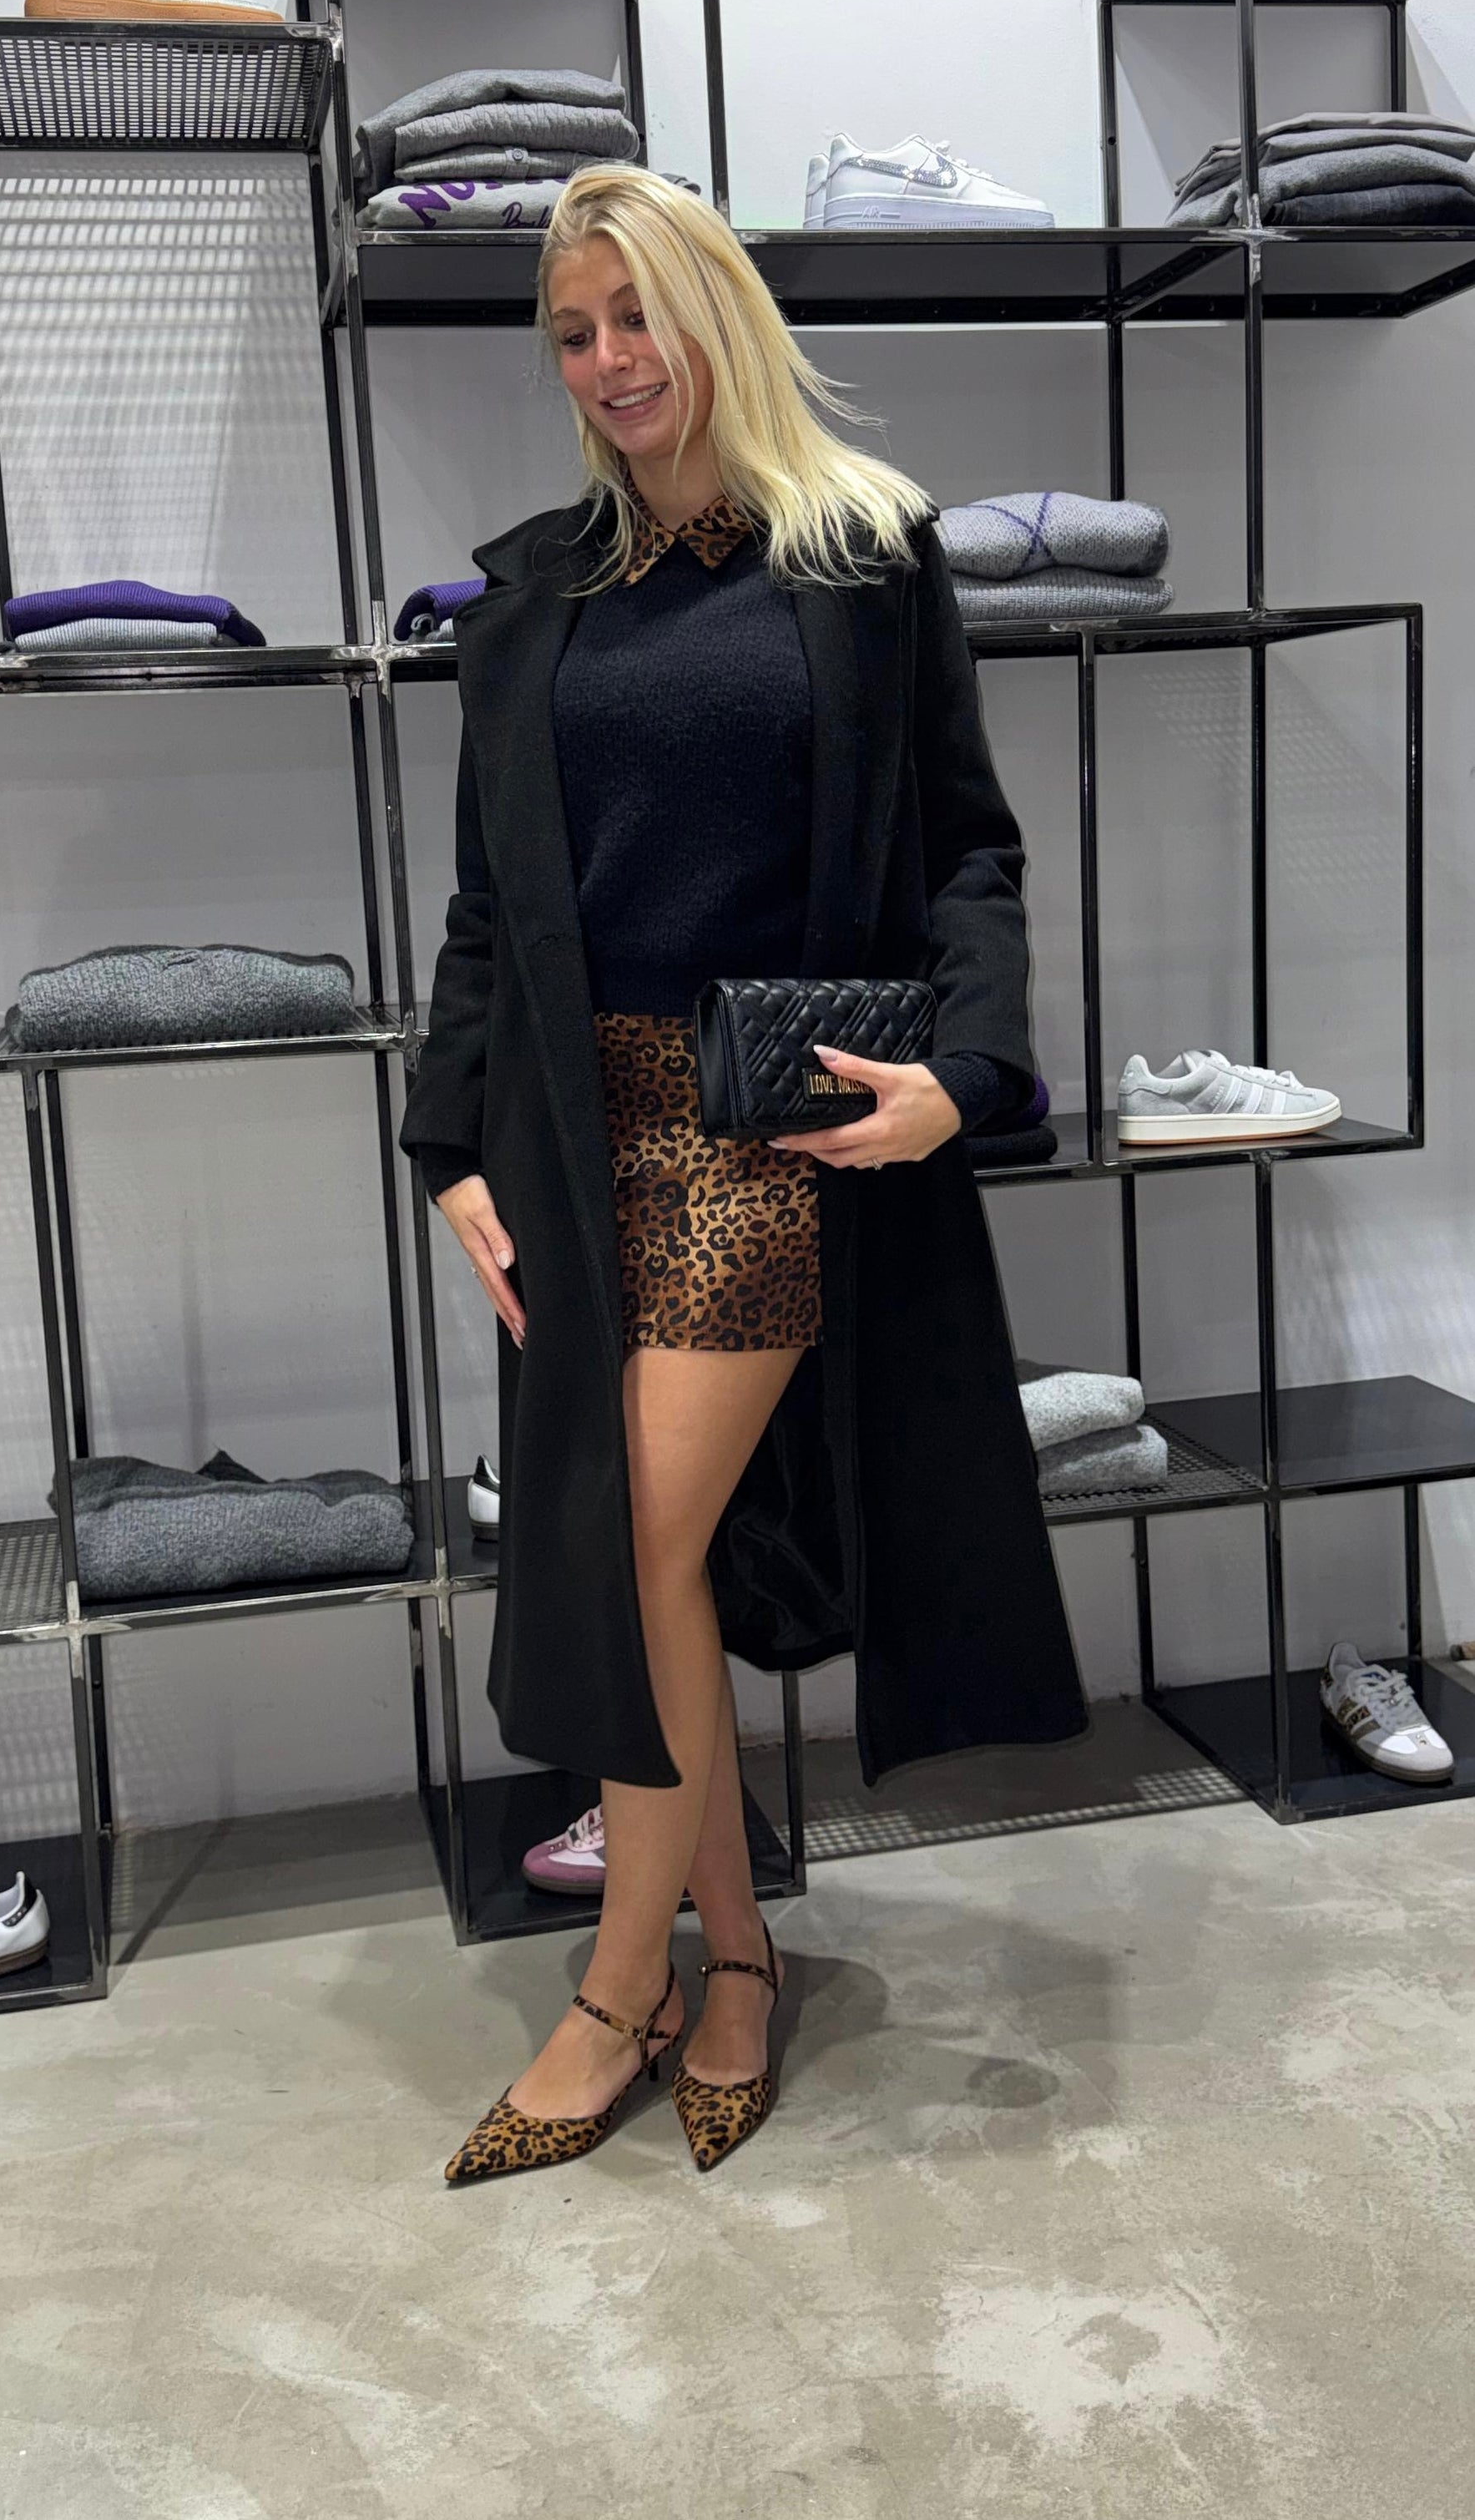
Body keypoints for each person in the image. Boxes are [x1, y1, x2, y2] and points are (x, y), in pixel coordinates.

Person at [398, 166, 1085, 2184]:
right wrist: (447, 1143)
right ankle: (741, 1960)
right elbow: (483, 910)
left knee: (632, 1537)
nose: (609, 361)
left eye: (638, 317)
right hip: (566, 1133)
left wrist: (966, 1070)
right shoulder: (534, 598)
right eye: (574, 331)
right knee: (649, 1551)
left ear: (718, 318)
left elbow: (968, 844)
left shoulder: (860, 558)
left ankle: (618, 1989)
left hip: (760, 1122)